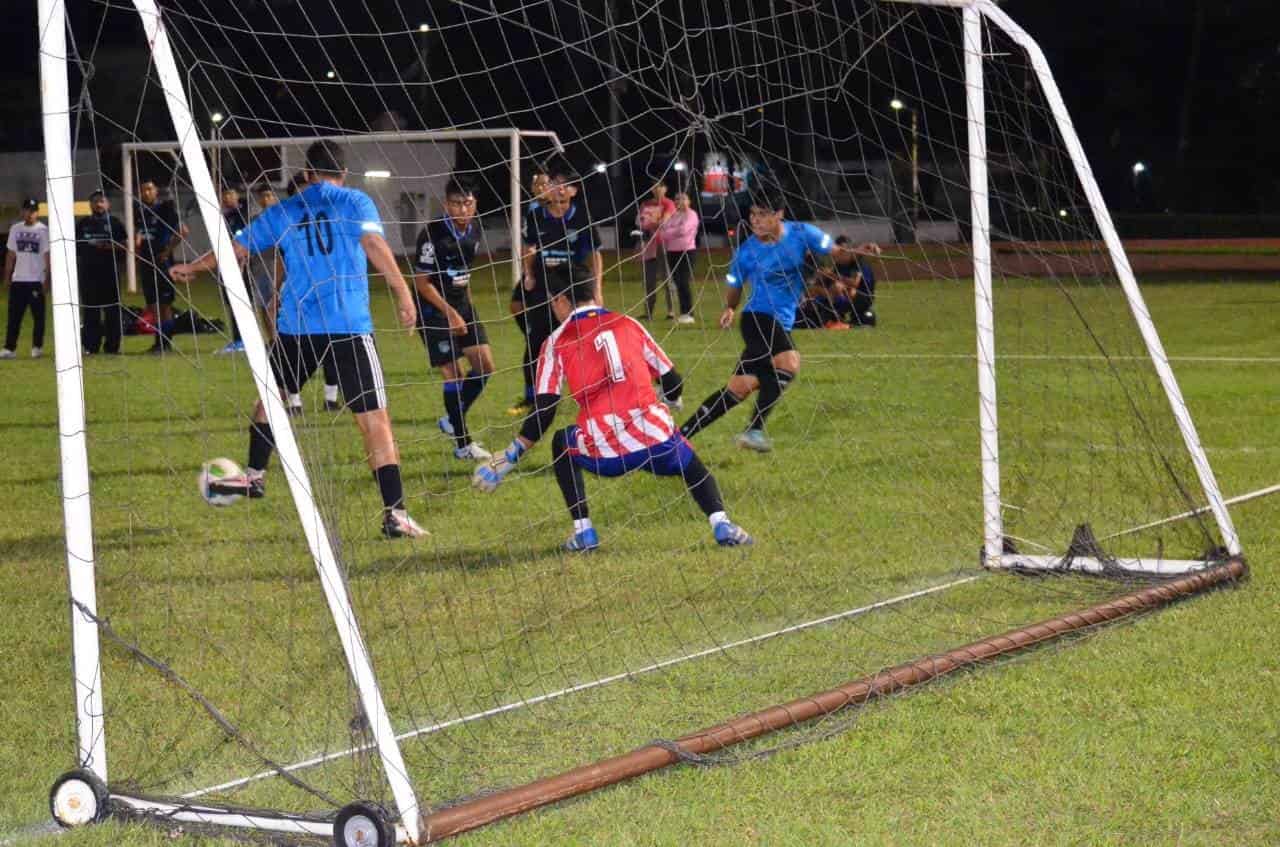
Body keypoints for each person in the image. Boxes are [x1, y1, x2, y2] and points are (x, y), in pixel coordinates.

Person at [170, 140, 427, 538]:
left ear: (307, 174)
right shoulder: (356, 202)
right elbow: (374, 243)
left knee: (268, 402)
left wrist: (194, 266)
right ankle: (394, 512)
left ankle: (254, 475)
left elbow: (235, 249)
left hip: (297, 328)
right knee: (374, 421)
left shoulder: (283, 211)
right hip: (348, 327)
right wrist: (403, 292)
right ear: (341, 173)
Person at [472, 266, 751, 551]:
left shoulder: (555, 342)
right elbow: (673, 381)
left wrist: (508, 457)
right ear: (594, 293)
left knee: (562, 442)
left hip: (605, 451)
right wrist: (668, 400)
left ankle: (584, 532)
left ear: (562, 301)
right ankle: (721, 523)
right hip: (654, 440)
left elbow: (544, 412)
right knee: (692, 464)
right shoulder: (629, 323)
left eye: (553, 301)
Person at [679, 184, 880, 452]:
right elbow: (735, 286)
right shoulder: (746, 251)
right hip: (757, 318)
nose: (756, 220)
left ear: (779, 214)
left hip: (778, 321)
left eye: (762, 214)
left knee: (738, 389)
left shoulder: (802, 233)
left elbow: (837, 254)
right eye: (752, 214)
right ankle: (754, 431)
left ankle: (679, 437)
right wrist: (729, 308)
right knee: (790, 360)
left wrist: (859, 251)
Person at [515, 160, 604, 439]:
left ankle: (596, 394)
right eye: (554, 183)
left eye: (565, 185)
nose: (559, 189)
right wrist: (528, 274)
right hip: (543, 285)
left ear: (574, 191)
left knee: (585, 341)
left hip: (574, 286)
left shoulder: (583, 217)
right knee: (537, 341)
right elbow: (529, 247)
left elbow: (595, 255)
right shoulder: (536, 214)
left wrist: (597, 289)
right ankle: (533, 398)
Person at [412, 176, 494, 460]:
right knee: (454, 375)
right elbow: (422, 282)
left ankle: (450, 419)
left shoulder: (475, 230)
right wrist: (451, 314)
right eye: (457, 204)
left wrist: (466, 310)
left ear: (475, 204)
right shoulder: (432, 234)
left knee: (485, 366)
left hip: (461, 307)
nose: (462, 209)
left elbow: (464, 273)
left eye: (468, 203)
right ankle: (463, 445)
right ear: (446, 205)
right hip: (433, 310)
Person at [506, 168, 551, 416]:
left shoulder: (558, 210)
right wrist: (528, 271)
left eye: (546, 184)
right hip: (534, 270)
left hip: (553, 274)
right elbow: (528, 246)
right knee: (516, 305)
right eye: (538, 184)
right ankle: (538, 334)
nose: (541, 188)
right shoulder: (533, 209)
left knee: (539, 342)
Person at [134, 180, 188, 353]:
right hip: (146, 262)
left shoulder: (165, 209)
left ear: (156, 191)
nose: (147, 193)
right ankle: (159, 342)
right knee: (153, 305)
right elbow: (140, 234)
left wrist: (167, 251)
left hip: (162, 262)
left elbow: (183, 231)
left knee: (164, 304)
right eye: (143, 190)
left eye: (150, 189)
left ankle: (166, 343)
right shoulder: (139, 210)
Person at [76, 191, 127, 355]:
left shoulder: (115, 223)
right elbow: (75, 246)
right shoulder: (82, 223)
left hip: (109, 274)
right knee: (91, 311)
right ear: (90, 204)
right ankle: (91, 346)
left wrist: (107, 246)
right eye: (95, 201)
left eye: (102, 201)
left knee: (112, 311)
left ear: (108, 204)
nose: (99, 204)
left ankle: (112, 347)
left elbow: (125, 245)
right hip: (88, 274)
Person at [1, 199, 50, 359]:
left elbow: (47, 256)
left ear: (38, 212)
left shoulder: (43, 230)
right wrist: (7, 277)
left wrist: (47, 279)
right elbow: (10, 255)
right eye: (27, 210)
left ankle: (37, 347)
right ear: (23, 211)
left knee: (38, 316)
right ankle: (10, 348)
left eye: (33, 211)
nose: (30, 214)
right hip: (19, 280)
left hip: (36, 280)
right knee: (14, 316)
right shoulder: (16, 229)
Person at [214, 187, 249, 355]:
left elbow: (243, 243)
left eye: (230, 193)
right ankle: (237, 339)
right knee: (231, 302)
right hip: (227, 264)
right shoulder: (224, 216)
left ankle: (243, 340)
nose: (227, 197)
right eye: (224, 194)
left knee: (239, 300)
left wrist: (242, 264)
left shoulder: (243, 216)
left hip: (240, 265)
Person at [636, 181, 675, 320]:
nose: (657, 189)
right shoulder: (645, 204)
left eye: (660, 186)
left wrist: (649, 222)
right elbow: (640, 222)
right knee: (648, 280)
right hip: (648, 245)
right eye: (654, 187)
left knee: (667, 278)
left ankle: (671, 311)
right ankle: (648, 311)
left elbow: (665, 221)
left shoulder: (668, 203)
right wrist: (648, 223)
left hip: (664, 243)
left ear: (665, 189)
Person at [657, 191, 698, 324]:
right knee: (677, 281)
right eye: (676, 199)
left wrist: (671, 231)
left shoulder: (691, 215)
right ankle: (683, 312)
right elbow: (662, 233)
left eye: (682, 199)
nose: (678, 202)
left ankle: (689, 313)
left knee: (684, 281)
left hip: (686, 251)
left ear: (688, 201)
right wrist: (673, 231)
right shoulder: (674, 216)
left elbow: (684, 230)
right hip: (672, 252)